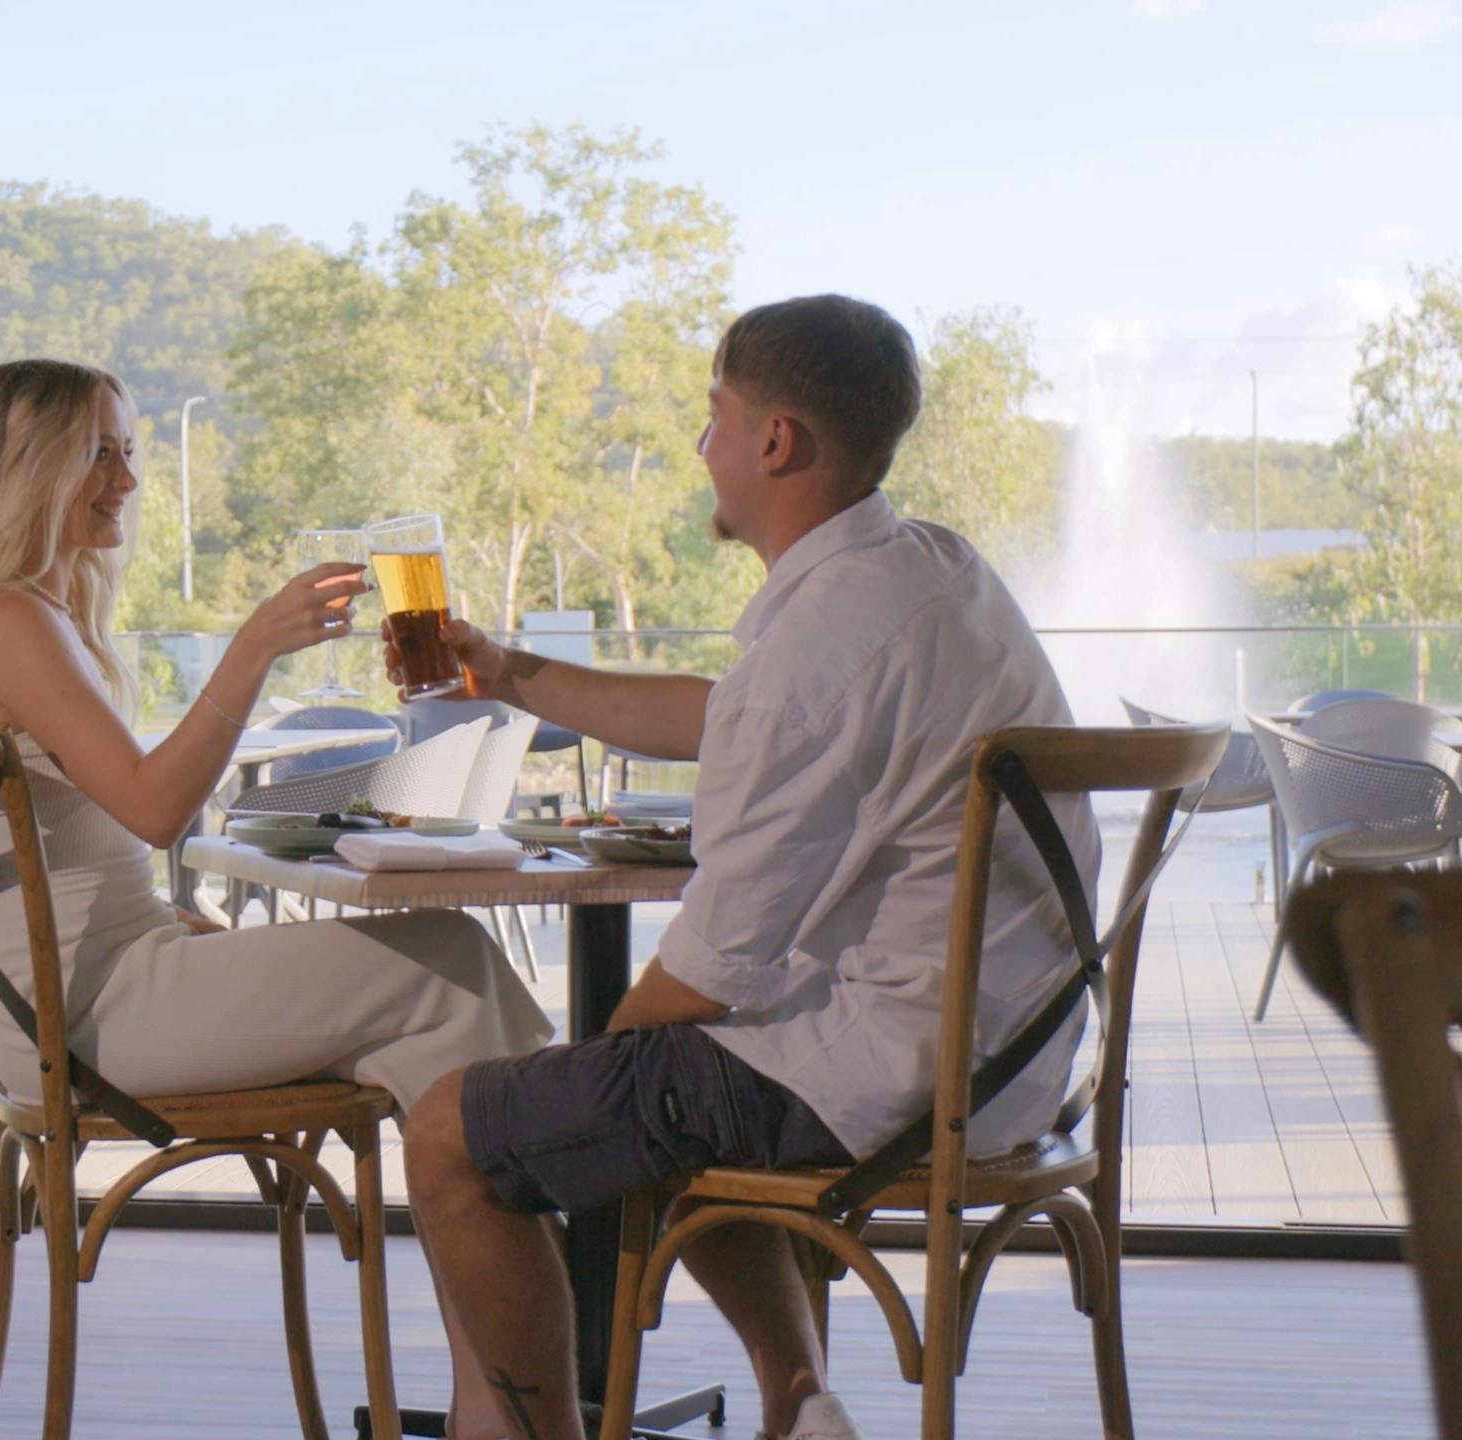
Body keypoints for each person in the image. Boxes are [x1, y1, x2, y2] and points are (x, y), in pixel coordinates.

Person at [397, 295, 1100, 1440]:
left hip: (895, 1081)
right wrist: (512, 673)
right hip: (1014, 1061)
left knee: (453, 1131)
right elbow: (733, 716)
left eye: (714, 416)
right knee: (670, 1082)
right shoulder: (935, 572)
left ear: (774, 441)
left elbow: (712, 966)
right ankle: (796, 1401)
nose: (702, 444)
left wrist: (587, 1085)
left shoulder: (817, 651)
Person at [0, 358, 554, 1434]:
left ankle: (499, 1390)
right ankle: (526, 1365)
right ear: (26, 468)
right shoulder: (10, 622)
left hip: (91, 1000)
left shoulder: (15, 617)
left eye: (129, 451)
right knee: (450, 964)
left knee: (440, 1019)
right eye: (99, 453)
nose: (127, 479)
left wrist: (182, 926)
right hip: (96, 1021)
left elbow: (86, 863)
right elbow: (157, 810)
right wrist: (253, 650)